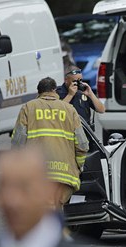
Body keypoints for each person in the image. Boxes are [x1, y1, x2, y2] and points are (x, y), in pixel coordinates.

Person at [12, 77, 89, 208]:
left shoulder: (28, 108)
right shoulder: (69, 110)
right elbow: (82, 145)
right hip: (65, 175)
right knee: (56, 211)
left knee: (41, 212)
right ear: (55, 90)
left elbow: (18, 143)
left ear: (39, 92)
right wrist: (79, 166)